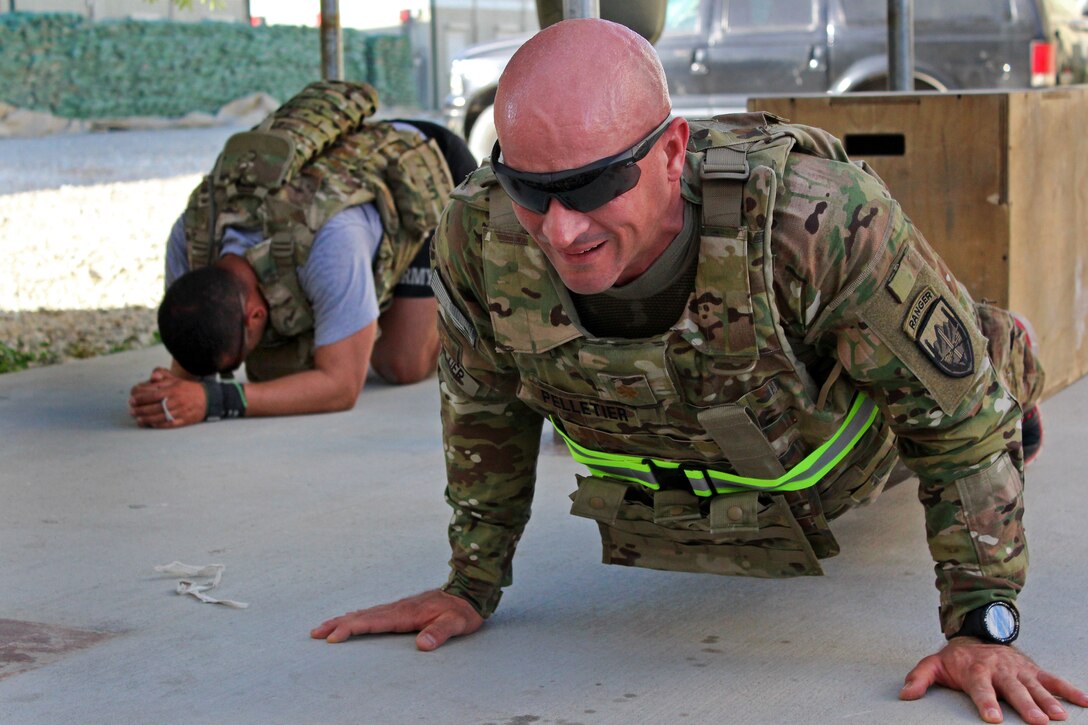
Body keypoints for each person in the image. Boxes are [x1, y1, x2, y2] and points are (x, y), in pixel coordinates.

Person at [310, 20, 1086, 724]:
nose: (560, 228)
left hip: (848, 457)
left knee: (966, 381)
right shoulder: (480, 233)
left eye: (593, 185)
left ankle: (998, 339)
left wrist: (982, 622)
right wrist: (469, 581)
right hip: (705, 453)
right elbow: (483, 405)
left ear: (673, 151)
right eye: (530, 190)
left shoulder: (813, 219)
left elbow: (954, 422)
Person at [128, 81, 477, 429]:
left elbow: (341, 387)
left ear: (256, 313)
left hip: (426, 172)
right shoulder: (189, 238)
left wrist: (218, 401)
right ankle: (368, 301)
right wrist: (175, 385)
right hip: (348, 185)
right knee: (299, 354)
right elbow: (197, 339)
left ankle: (473, 308)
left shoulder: (328, 246)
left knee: (401, 364)